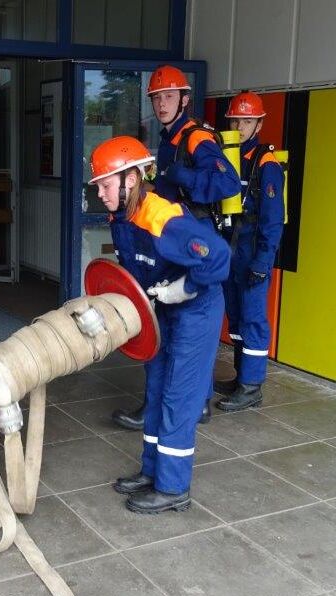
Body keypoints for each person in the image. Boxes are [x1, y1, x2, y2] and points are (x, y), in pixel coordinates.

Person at [90, 136, 230, 513]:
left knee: (178, 398)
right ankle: (152, 472)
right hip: (161, 311)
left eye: (105, 185)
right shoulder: (123, 217)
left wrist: (185, 288)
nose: (100, 193)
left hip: (195, 311)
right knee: (156, 390)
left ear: (130, 180)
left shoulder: (163, 217)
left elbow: (218, 258)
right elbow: (132, 276)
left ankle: (172, 488)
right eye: (99, 186)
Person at [111, 65, 240, 432]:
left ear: (184, 99)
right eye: (155, 97)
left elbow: (227, 182)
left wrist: (178, 176)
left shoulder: (195, 136)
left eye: (168, 96)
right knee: (168, 332)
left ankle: (186, 403)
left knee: (185, 331)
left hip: (191, 239)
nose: (161, 103)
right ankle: (177, 404)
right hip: (171, 243)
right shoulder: (169, 138)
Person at [215, 91, 284, 411]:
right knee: (238, 318)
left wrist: (263, 261)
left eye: (247, 120)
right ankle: (242, 377)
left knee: (254, 319)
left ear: (259, 124)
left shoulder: (266, 164)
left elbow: (272, 221)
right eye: (236, 120)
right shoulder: (227, 157)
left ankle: (252, 386)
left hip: (253, 250)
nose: (240, 126)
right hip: (230, 249)